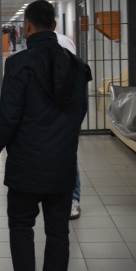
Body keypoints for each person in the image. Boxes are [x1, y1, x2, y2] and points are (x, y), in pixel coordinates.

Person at [0, 0, 91, 271]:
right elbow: (80, 112)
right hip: (62, 165)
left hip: (26, 164)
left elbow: (9, 115)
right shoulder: (77, 66)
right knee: (58, 233)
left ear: (26, 26)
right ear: (54, 25)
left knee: (21, 227)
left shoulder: (19, 64)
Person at [56, 33, 82, 221]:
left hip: (66, 110)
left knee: (68, 155)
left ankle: (73, 198)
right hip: (49, 112)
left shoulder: (63, 42)